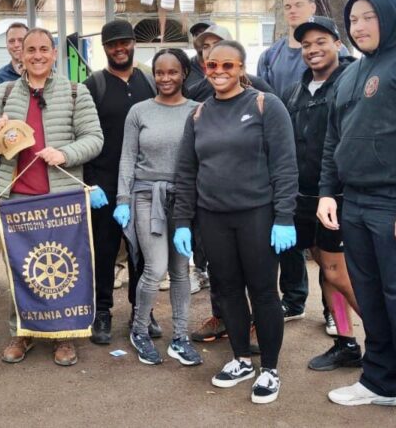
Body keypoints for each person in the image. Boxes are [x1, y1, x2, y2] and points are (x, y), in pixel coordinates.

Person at [173, 40, 298, 404]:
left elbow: (285, 164)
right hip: (213, 217)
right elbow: (186, 171)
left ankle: (270, 369)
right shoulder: (198, 114)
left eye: (228, 66)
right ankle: (241, 358)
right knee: (226, 290)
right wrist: (183, 221)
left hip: (257, 215)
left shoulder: (264, 104)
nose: (220, 72)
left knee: (262, 291)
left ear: (241, 68)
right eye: (212, 66)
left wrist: (285, 216)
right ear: (205, 68)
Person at [0, 27, 103, 366]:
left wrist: (65, 154)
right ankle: (24, 332)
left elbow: (94, 138)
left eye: (44, 48)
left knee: (65, 268)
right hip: (17, 198)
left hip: (62, 198)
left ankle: (65, 337)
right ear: (20, 53)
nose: (37, 55)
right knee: (21, 269)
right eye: (30, 49)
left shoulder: (77, 92)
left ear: (55, 51)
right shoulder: (3, 94)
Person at [318, 0, 396, 421]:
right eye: (353, 20)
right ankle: (380, 382)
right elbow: (334, 140)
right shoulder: (352, 74)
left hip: (395, 204)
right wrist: (325, 192)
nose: (359, 27)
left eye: (368, 17)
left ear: (390, 17)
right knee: (371, 300)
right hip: (353, 203)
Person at [281, 16, 362, 371]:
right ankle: (346, 342)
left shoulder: (353, 81)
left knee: (339, 273)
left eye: (321, 42)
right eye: (306, 45)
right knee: (328, 273)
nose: (313, 50)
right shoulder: (297, 89)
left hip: (341, 197)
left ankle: (387, 341)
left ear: (338, 44)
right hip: (304, 197)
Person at [186, 24, 272, 344]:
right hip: (210, 200)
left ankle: (258, 325)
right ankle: (223, 317)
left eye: (217, 44)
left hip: (252, 202)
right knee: (219, 269)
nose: (211, 51)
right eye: (205, 47)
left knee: (254, 271)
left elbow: (276, 143)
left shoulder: (262, 93)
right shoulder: (197, 91)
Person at [115, 48, 201, 366]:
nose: (165, 78)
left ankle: (180, 336)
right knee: (155, 267)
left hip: (183, 199)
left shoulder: (198, 110)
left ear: (184, 74)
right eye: (160, 72)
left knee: (181, 269)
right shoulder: (139, 111)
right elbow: (127, 158)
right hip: (145, 196)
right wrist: (122, 200)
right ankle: (139, 329)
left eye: (172, 72)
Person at [83, 19, 158, 346]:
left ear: (133, 44)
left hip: (143, 182)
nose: (119, 48)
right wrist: (89, 183)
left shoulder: (149, 82)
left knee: (143, 251)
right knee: (104, 250)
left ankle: (142, 310)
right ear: (105, 49)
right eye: (113, 44)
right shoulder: (93, 85)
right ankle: (102, 311)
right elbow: (82, 134)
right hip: (106, 183)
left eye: (124, 42)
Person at [257, 0, 318, 97]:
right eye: (288, 7)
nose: (292, 10)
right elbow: (263, 100)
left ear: (312, 8)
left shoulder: (332, 51)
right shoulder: (269, 56)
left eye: (298, 5)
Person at [0, 22, 29, 90]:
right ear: (6, 45)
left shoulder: (41, 74)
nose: (16, 45)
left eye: (21, 40)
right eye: (11, 41)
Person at [186, 21, 213, 92]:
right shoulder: (184, 67)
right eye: (197, 34)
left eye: (206, 33)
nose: (201, 37)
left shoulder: (230, 68)